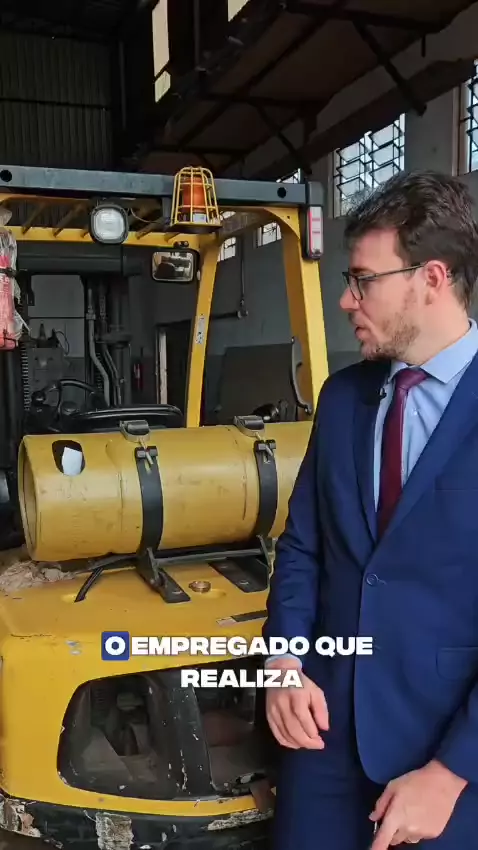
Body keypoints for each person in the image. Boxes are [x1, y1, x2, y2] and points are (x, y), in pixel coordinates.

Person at [262, 169, 478, 850]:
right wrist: (285, 664)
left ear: (431, 279)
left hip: (448, 761)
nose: (346, 300)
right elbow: (304, 546)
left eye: (363, 281)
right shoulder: (343, 399)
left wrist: (451, 773)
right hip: (323, 738)